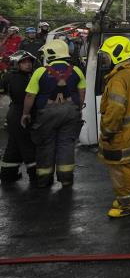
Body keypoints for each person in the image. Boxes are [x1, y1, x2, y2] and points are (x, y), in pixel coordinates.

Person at [21, 39, 86, 188]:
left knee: (45, 145)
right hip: (71, 113)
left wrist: (25, 114)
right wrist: (78, 108)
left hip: (46, 115)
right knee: (66, 145)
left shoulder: (40, 71)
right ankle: (66, 179)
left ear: (50, 54)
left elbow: (30, 96)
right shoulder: (76, 70)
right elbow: (82, 92)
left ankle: (44, 180)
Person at [97, 36, 130, 218]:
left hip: (121, 135)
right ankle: (127, 199)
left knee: (122, 171)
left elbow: (116, 109)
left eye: (106, 55)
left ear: (117, 55)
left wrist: (107, 132)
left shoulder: (118, 79)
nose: (105, 60)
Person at [0, 51, 37, 185]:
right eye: (24, 62)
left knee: (13, 147)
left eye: (29, 62)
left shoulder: (10, 76)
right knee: (28, 145)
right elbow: (26, 97)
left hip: (14, 114)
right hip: (21, 114)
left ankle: (7, 174)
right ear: (16, 63)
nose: (28, 65)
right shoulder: (19, 78)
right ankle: (36, 176)